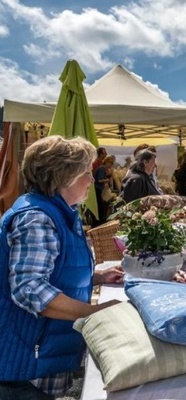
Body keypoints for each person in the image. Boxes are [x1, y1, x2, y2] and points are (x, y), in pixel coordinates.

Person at [0, 136, 124, 399]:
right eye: (85, 173)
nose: (92, 180)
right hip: (26, 366)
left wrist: (97, 276)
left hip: (42, 354)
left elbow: (56, 267)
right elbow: (29, 288)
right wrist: (93, 312)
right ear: (63, 176)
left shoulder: (62, 211)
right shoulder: (37, 218)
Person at [93, 155, 116, 224]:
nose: (110, 166)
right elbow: (100, 180)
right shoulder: (102, 169)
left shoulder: (101, 168)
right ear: (107, 162)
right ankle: (100, 220)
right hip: (97, 189)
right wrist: (106, 180)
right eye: (110, 164)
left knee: (100, 205)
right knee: (100, 205)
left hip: (98, 189)